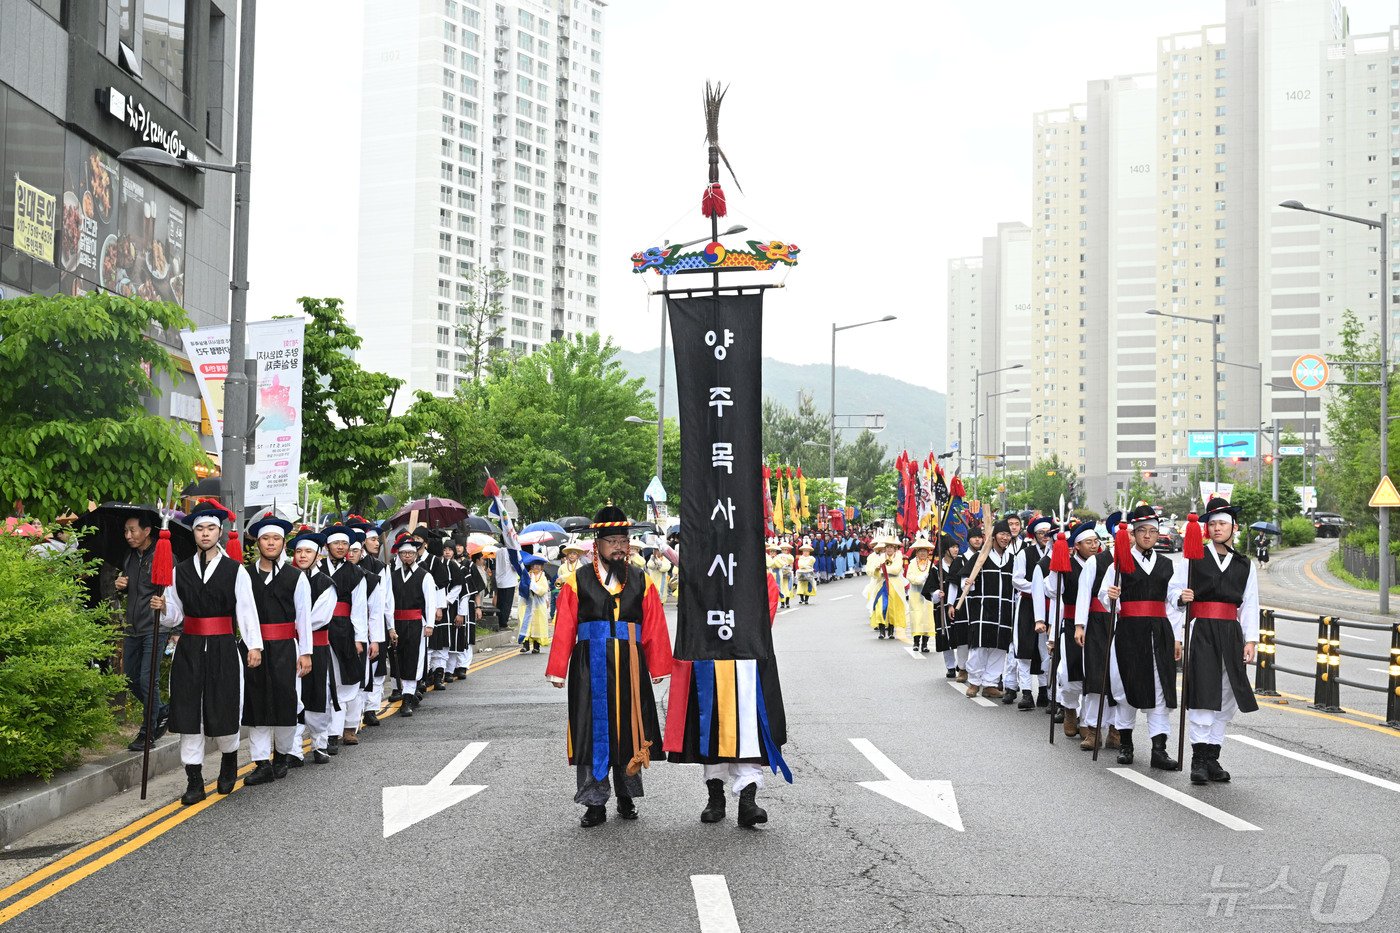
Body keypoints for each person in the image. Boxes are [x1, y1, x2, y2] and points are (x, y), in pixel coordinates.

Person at [545, 506, 673, 828]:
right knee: (591, 730)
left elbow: (654, 624)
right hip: (590, 666)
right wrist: (558, 668)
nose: (619, 547)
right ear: (597, 544)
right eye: (612, 541)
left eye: (623, 541)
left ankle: (627, 794)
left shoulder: (642, 580)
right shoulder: (577, 581)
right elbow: (565, 626)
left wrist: (658, 665)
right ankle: (594, 801)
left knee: (631, 727)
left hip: (631, 663)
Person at [151, 499, 261, 805]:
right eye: (200, 529)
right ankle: (194, 780)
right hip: (189, 648)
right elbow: (175, 615)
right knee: (189, 711)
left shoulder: (235, 570)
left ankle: (229, 760)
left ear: (220, 532)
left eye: (211, 528)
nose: (205, 533)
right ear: (194, 533)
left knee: (224, 706)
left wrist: (254, 645)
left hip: (223, 647)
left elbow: (247, 610)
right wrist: (163, 607)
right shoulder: (180, 570)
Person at [1170, 497, 1260, 785]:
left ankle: (1212, 756)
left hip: (1231, 631)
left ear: (1235, 527)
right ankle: (1198, 758)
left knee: (1227, 694)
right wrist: (1180, 597)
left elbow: (1250, 603)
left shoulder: (1245, 564)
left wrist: (1251, 640)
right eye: (1212, 524)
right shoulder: (1193, 558)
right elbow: (1173, 592)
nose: (1217, 528)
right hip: (1202, 629)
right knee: (1203, 690)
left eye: (1222, 523)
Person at [1102, 504, 1181, 769]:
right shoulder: (1119, 563)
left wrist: (1181, 602)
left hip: (1159, 632)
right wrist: (1110, 596)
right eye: (1142, 531)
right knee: (1127, 686)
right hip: (1130, 632)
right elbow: (1104, 596)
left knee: (1160, 688)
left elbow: (1173, 601)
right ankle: (1126, 744)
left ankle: (1159, 749)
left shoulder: (1167, 565)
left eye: (1152, 531)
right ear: (1133, 533)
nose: (1147, 535)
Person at [241, 513, 312, 785]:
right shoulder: (245, 575)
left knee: (285, 701)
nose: (271, 543)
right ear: (258, 542)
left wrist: (305, 652)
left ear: (283, 543)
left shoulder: (296, 577)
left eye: (276, 539)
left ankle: (282, 755)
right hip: (254, 648)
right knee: (256, 701)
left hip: (285, 648)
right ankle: (261, 762)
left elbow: (303, 618)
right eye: (266, 538)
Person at [114, 509, 170, 752]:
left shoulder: (163, 554)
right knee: (130, 678)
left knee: (148, 679)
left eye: (132, 530)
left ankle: (148, 732)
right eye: (125, 531)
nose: (128, 535)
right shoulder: (130, 557)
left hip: (155, 627)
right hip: (132, 627)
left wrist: (176, 628)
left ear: (147, 531)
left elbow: (174, 594)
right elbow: (135, 590)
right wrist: (121, 586)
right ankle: (162, 710)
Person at [318, 524, 369, 750]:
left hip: (344, 631)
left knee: (341, 681)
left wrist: (359, 638)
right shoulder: (316, 568)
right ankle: (322, 734)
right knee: (323, 682)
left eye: (344, 544)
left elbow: (359, 609)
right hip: (319, 629)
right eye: (336, 543)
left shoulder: (356, 573)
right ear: (327, 545)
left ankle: (335, 733)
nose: (340, 547)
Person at [291, 530, 338, 762]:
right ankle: (294, 750)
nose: (302, 555)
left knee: (318, 694)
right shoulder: (288, 579)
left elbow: (318, 618)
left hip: (316, 645)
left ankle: (320, 744)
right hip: (290, 645)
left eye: (308, 551)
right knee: (293, 695)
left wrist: (289, 624)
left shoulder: (325, 583)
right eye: (299, 551)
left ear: (317, 555)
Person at [960, 519, 1016, 698]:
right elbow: (964, 580)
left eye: (1008, 535)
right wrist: (968, 583)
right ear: (993, 536)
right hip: (983, 608)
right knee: (980, 646)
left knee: (999, 647)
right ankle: (974, 682)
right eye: (1002, 534)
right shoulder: (980, 557)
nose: (1005, 538)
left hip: (1005, 608)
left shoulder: (1012, 559)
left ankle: (990, 683)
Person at [384, 534, 438, 716]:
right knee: (397, 658)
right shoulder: (392, 576)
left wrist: (429, 625)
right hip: (397, 622)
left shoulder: (425, 576)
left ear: (416, 554)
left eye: (410, 553)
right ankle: (403, 691)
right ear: (399, 555)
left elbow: (430, 601)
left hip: (416, 623)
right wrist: (390, 626)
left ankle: (407, 698)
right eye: (403, 553)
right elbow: (388, 603)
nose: (407, 556)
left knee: (413, 659)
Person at [1014, 516, 1055, 709]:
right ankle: (1026, 692)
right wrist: (1038, 588)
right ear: (1035, 535)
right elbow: (1017, 580)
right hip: (1028, 605)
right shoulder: (1025, 553)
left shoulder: (1054, 554)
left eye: (1047, 533)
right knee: (1024, 648)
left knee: (1046, 648)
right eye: (1041, 533)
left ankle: (1045, 691)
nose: (1044, 536)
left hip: (1049, 605)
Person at [924, 534, 966, 677]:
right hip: (942, 608)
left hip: (959, 606)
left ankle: (962, 664)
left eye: (957, 547)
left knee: (961, 635)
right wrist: (936, 593)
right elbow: (929, 589)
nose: (956, 550)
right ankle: (950, 666)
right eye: (953, 547)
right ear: (946, 549)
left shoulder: (962, 565)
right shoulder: (936, 569)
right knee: (945, 636)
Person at [864, 535, 907, 639]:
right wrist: (877, 569)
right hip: (881, 585)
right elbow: (872, 571)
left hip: (894, 585)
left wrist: (884, 569)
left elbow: (896, 569)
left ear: (895, 548)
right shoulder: (880, 558)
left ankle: (891, 630)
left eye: (891, 547)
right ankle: (882, 630)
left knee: (892, 608)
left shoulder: (898, 557)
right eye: (887, 547)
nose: (889, 549)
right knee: (880, 607)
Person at [904, 536, 937, 652]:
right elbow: (909, 577)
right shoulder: (912, 564)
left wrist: (930, 579)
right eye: (920, 551)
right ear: (917, 553)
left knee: (927, 619)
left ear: (928, 553)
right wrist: (921, 578)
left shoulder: (931, 565)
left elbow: (935, 579)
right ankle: (916, 642)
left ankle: (925, 644)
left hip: (927, 596)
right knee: (916, 618)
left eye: (925, 551)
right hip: (916, 595)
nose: (923, 553)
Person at [518, 554, 553, 654]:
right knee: (525, 623)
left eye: (538, 565)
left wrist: (534, 587)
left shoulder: (543, 577)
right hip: (527, 604)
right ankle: (525, 645)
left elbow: (543, 590)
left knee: (538, 625)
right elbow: (521, 587)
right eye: (534, 565)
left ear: (542, 567)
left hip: (538, 605)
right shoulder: (527, 575)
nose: (536, 567)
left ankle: (536, 646)